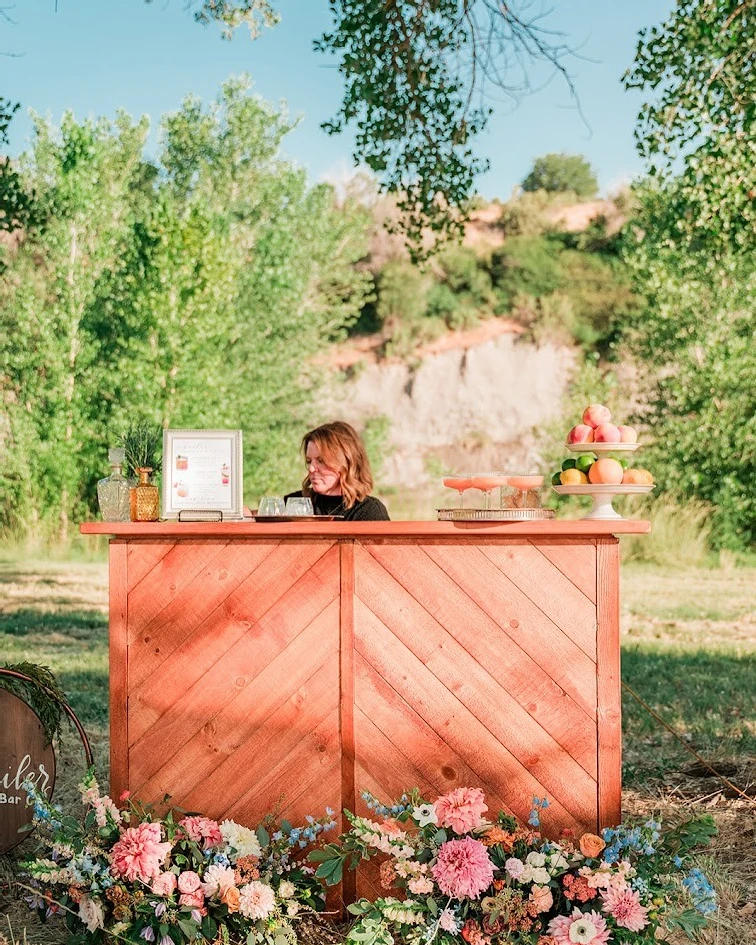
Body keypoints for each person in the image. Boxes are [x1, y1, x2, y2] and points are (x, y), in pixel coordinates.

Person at [285, 421, 390, 521]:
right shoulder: (293, 505)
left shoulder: (368, 511)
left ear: (345, 462)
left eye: (321, 461)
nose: (311, 469)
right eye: (309, 461)